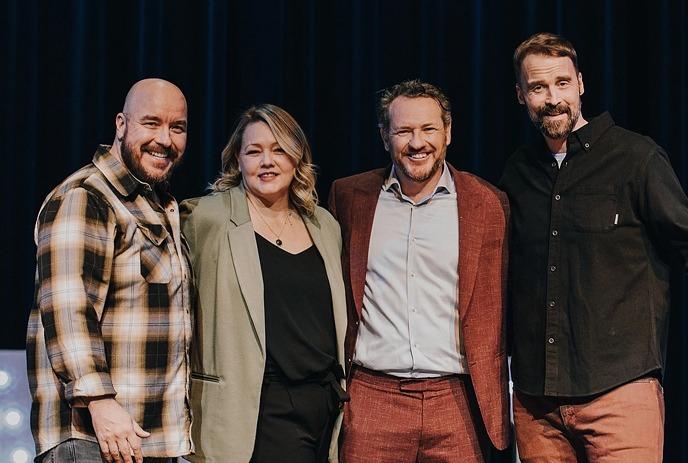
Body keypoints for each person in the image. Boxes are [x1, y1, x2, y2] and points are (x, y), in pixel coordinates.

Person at [501, 32, 688, 462]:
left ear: (581, 83)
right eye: (538, 87)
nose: (552, 98)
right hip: (536, 404)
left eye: (562, 83)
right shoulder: (517, 172)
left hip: (620, 393)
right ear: (520, 94)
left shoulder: (636, 159)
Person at [329, 79, 510, 463]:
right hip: (373, 397)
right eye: (403, 131)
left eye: (428, 129)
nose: (417, 142)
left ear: (448, 132)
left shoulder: (488, 203)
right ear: (384, 136)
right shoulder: (348, 198)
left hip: (456, 400)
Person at [26, 78, 193, 463]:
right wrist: (100, 404)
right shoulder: (87, 196)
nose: (165, 139)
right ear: (121, 125)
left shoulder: (155, 204)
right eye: (151, 123)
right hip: (91, 437)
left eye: (177, 127)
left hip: (140, 438)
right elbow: (69, 308)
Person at [181, 104, 348, 463]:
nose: (267, 161)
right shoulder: (207, 218)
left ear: (297, 156)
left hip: (323, 407)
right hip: (258, 407)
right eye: (254, 151)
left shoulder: (323, 224)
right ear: (237, 160)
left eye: (279, 149)